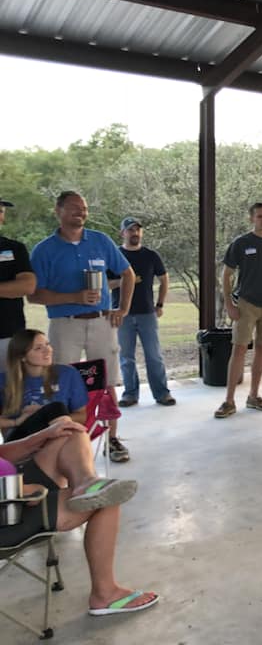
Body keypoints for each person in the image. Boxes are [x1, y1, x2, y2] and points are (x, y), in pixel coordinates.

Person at [0, 418, 159, 616]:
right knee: (106, 500)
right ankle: (105, 594)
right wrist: (21, 490)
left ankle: (86, 483)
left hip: (10, 480)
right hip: (8, 510)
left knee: (69, 432)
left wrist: (39, 437)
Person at [28, 191, 134, 463]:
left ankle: (112, 440)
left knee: (107, 381)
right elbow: (34, 295)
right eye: (74, 208)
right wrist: (73, 297)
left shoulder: (100, 241)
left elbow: (127, 273)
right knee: (60, 381)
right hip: (65, 325)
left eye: (84, 208)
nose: (81, 212)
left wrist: (123, 309)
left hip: (101, 321)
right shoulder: (44, 250)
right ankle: (64, 440)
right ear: (58, 211)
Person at [214, 203, 262, 419]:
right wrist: (229, 303)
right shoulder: (241, 243)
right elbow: (226, 275)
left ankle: (254, 396)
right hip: (246, 304)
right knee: (239, 350)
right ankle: (228, 401)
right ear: (251, 219)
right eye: (259, 216)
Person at [109, 217, 176, 407]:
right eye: (130, 230)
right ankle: (130, 394)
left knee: (154, 355)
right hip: (122, 314)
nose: (135, 233)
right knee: (126, 357)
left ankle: (162, 393)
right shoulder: (115, 256)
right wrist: (126, 281)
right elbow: (105, 284)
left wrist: (160, 304)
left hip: (147, 313)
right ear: (122, 233)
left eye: (138, 230)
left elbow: (164, 279)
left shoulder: (151, 255)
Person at [0, 329, 88, 441]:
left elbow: (81, 415)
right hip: (22, 439)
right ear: (22, 356)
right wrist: (16, 421)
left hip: (58, 435)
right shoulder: (4, 380)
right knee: (57, 408)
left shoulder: (68, 373)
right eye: (38, 348)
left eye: (47, 344)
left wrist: (48, 417)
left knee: (56, 410)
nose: (48, 350)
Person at [0, 197, 37, 372]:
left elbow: (28, 286)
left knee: (11, 393)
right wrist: (8, 288)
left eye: (0, 211)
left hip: (10, 336)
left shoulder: (15, 248)